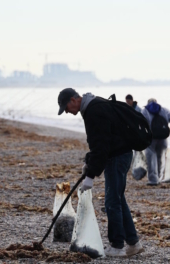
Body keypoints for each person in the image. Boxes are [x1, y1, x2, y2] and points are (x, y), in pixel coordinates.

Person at [58, 88, 144, 257]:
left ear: (74, 100)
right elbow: (99, 143)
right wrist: (89, 163)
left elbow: (102, 146)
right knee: (118, 199)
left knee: (112, 202)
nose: (67, 112)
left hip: (118, 156)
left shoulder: (94, 110)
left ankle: (117, 246)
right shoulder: (93, 106)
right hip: (120, 154)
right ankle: (133, 243)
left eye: (66, 108)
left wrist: (90, 176)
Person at [142, 98, 170, 185]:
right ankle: (159, 176)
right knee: (160, 158)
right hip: (163, 138)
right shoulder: (164, 110)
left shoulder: (145, 111)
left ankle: (153, 180)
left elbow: (142, 123)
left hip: (151, 138)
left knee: (150, 159)